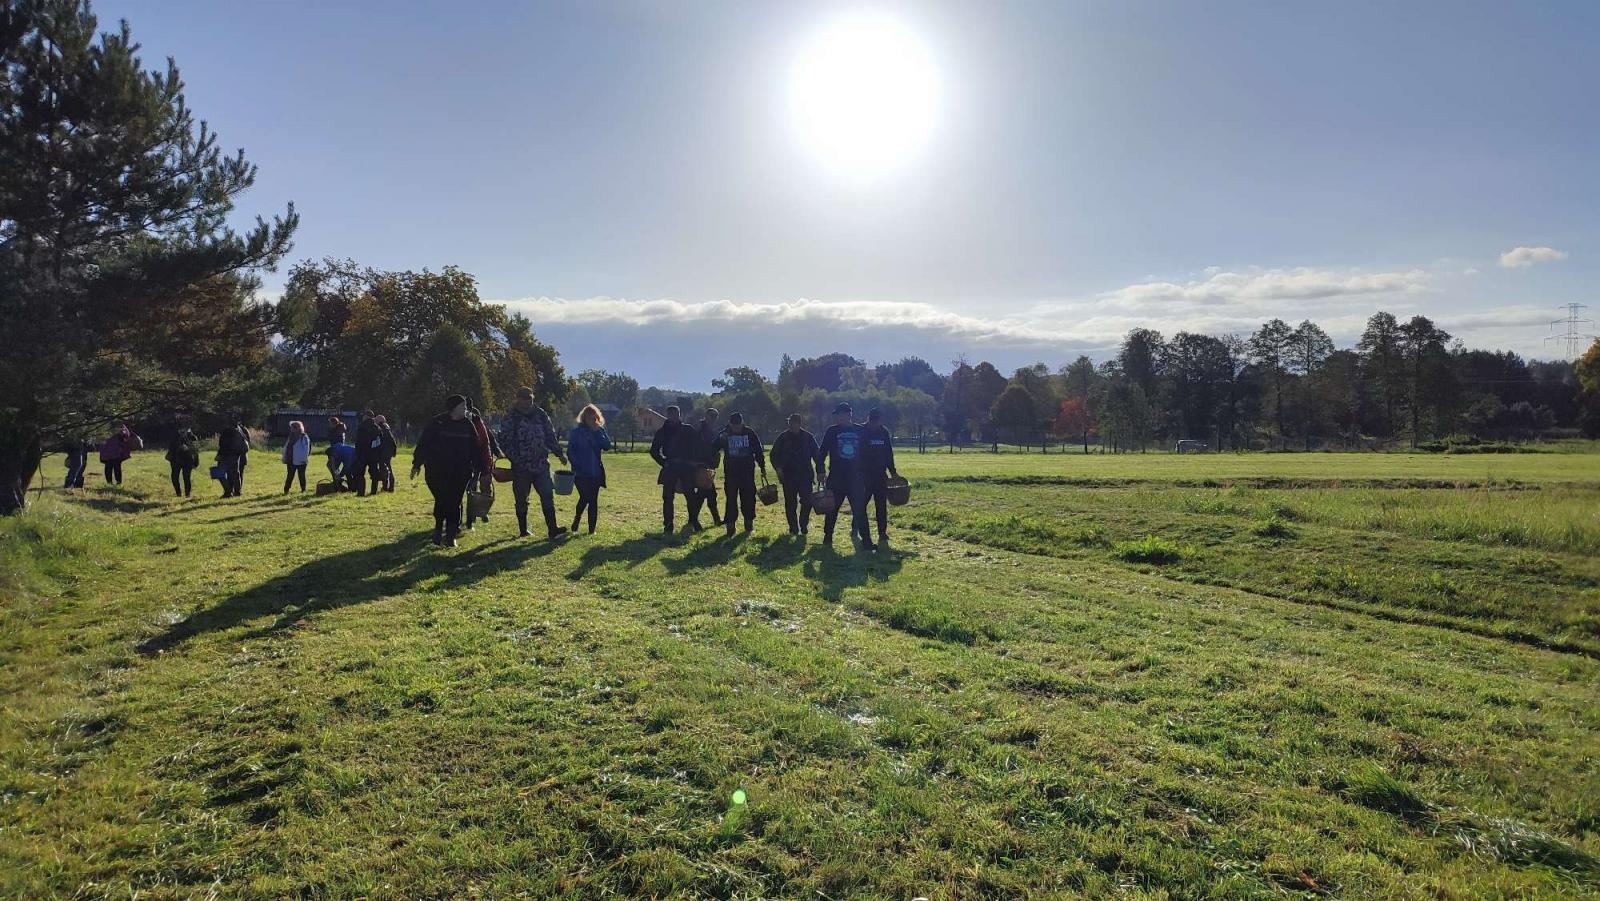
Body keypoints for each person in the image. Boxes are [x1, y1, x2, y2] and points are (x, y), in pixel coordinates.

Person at [413, 394, 492, 547]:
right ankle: (437, 530)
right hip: (437, 470)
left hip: (460, 471)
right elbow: (423, 444)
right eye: (463, 407)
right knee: (442, 500)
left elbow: (474, 449)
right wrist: (417, 463)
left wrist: (483, 467)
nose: (466, 409)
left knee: (454, 502)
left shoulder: (467, 425)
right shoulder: (437, 423)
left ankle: (450, 535)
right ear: (454, 408)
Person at [498, 387, 569, 540]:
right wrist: (516, 459)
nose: (527, 401)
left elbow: (550, 435)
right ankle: (523, 529)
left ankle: (553, 529)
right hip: (521, 466)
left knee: (547, 494)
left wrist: (559, 453)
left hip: (541, 463)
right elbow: (504, 441)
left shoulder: (540, 414)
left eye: (529, 398)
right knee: (521, 498)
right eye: (524, 398)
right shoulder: (511, 417)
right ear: (517, 399)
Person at [816, 402, 872, 550]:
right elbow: (821, 453)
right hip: (836, 477)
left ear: (848, 415)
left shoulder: (861, 431)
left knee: (860, 511)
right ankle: (827, 538)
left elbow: (867, 454)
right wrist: (820, 470)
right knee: (831, 509)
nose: (837, 418)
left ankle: (866, 542)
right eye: (836, 415)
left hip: (856, 478)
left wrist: (866, 473)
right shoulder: (831, 431)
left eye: (839, 414)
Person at [648, 405, 708, 533]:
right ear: (668, 415)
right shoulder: (662, 432)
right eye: (671, 415)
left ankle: (693, 521)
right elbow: (654, 451)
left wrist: (696, 462)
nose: (673, 417)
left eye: (675, 414)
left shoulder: (688, 430)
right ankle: (668, 525)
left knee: (690, 496)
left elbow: (699, 445)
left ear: (678, 415)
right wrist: (664, 462)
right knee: (668, 497)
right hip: (671, 466)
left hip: (686, 467)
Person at [712, 412, 766, 536]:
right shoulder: (724, 434)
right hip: (731, 473)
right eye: (734, 425)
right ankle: (730, 525)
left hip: (747, 472)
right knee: (731, 499)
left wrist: (762, 466)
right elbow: (712, 448)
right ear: (730, 424)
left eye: (739, 425)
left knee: (748, 498)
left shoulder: (749, 433)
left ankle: (748, 523)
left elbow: (758, 450)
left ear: (742, 422)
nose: (737, 428)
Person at [770, 413, 821, 536]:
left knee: (807, 502)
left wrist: (821, 470)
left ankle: (803, 524)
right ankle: (793, 527)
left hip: (805, 475)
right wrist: (778, 468)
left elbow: (817, 456)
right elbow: (773, 455)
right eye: (790, 423)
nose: (791, 425)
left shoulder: (808, 437)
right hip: (788, 476)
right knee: (790, 503)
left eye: (794, 423)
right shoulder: (782, 438)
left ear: (799, 423)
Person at [566, 403, 613, 535]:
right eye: (589, 418)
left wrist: (599, 432)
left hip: (595, 472)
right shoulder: (576, 433)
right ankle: (577, 518)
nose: (592, 420)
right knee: (585, 497)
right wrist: (578, 466)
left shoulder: (600, 430)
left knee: (593, 500)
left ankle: (591, 530)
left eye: (594, 418)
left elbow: (607, 446)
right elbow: (571, 452)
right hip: (580, 473)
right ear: (584, 418)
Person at [861, 408, 901, 545]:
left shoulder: (884, 432)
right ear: (869, 419)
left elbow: (888, 453)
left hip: (880, 475)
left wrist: (893, 471)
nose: (875, 424)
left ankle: (882, 532)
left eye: (877, 421)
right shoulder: (861, 431)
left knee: (881, 505)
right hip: (864, 475)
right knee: (861, 504)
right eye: (873, 421)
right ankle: (857, 525)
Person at [697, 407, 724, 527]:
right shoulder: (701, 429)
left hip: (710, 465)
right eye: (712, 416)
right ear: (706, 416)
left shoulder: (711, 430)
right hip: (702, 465)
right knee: (706, 493)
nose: (713, 418)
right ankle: (694, 520)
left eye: (715, 416)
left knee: (706, 493)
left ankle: (694, 519)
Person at [215, 416, 250, 497]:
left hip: (225, 455)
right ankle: (237, 492)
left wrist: (219, 455)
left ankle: (228, 491)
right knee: (235, 474)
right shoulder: (240, 430)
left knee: (219, 473)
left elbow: (222, 444)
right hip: (236, 455)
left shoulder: (226, 431)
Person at [165, 422, 200, 497]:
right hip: (175, 459)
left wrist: (196, 461)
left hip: (188, 460)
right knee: (174, 477)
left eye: (186, 429)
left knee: (186, 477)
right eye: (182, 429)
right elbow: (171, 448)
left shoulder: (193, 437)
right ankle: (178, 493)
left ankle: (187, 494)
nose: (183, 431)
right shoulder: (174, 436)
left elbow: (195, 450)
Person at [282, 420, 311, 493]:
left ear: (297, 428)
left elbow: (306, 449)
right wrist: (285, 457)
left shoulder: (304, 437)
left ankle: (303, 489)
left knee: (301, 476)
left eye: (292, 428)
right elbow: (286, 447)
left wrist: (303, 459)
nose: (291, 429)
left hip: (301, 461)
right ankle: (286, 490)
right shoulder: (291, 436)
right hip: (291, 460)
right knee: (290, 476)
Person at [375, 415, 398, 492]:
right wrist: (394, 451)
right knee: (387, 468)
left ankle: (387, 487)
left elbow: (380, 442)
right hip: (388, 452)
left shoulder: (381, 428)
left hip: (384, 452)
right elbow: (393, 441)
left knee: (384, 469)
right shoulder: (387, 428)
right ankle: (389, 486)